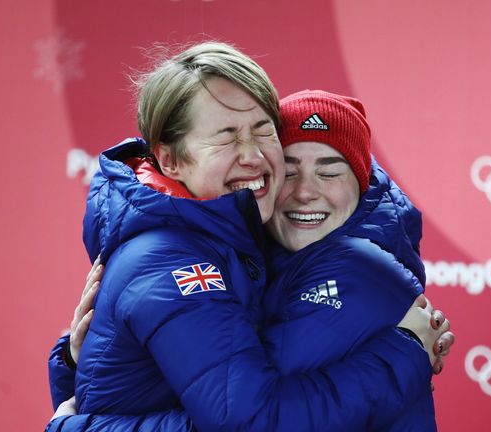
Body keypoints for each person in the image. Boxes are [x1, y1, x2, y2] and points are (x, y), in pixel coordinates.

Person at [47, 42, 452, 431]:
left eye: (263, 131)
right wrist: (405, 353)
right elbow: (247, 417)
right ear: (169, 159)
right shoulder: (185, 255)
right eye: (226, 136)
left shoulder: (331, 260)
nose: (253, 155)